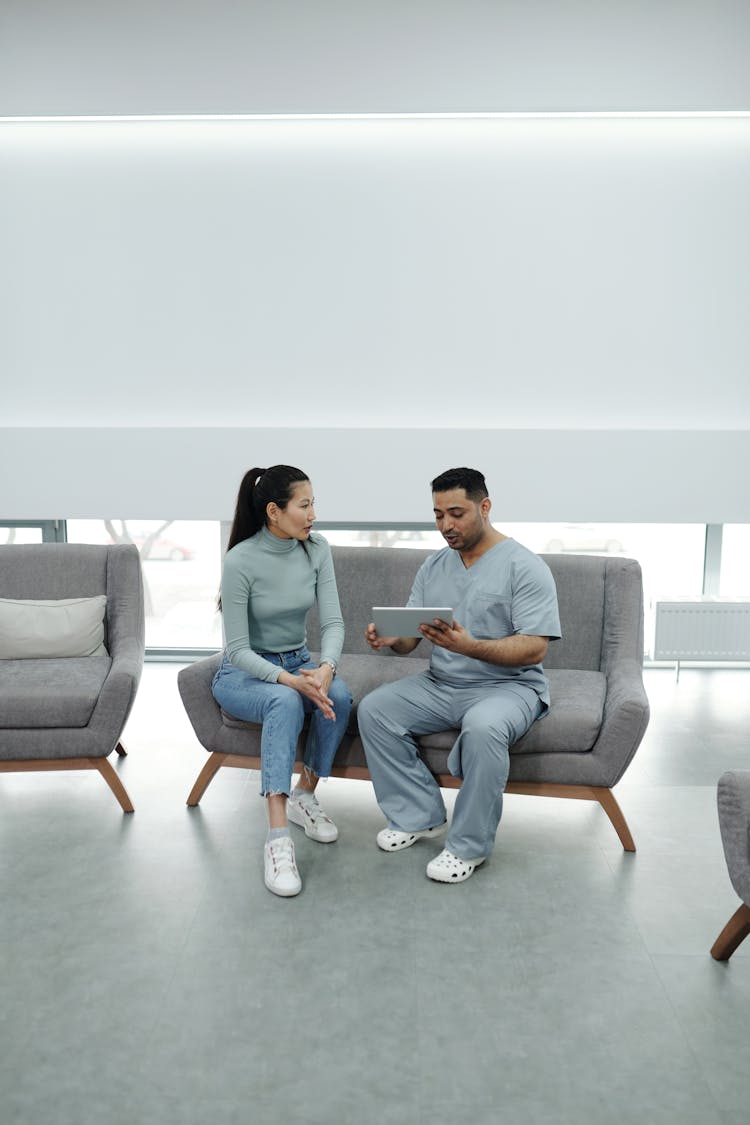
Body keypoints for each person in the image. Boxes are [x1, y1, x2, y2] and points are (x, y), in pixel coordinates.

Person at [358, 467, 561, 884]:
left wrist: (471, 647)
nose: (446, 525)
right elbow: (412, 640)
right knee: (375, 709)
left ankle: (468, 846)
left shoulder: (525, 566)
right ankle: (419, 816)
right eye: (437, 515)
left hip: (509, 686)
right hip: (442, 683)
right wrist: (390, 639)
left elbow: (536, 646)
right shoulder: (434, 567)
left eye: (456, 513)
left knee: (484, 729)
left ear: (484, 507)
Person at [212, 465, 352, 898]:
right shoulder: (241, 560)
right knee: (285, 703)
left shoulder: (316, 550)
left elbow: (332, 622)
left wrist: (325, 669)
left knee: (341, 695)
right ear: (274, 511)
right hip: (245, 673)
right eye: (304, 505)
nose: (313, 514)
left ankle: (304, 796)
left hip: (300, 660)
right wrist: (289, 681)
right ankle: (277, 841)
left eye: (313, 504)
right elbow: (236, 650)